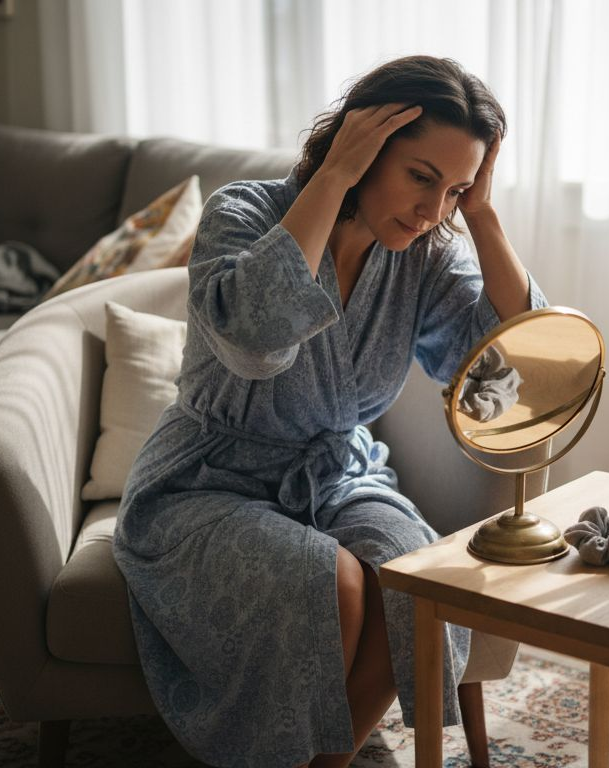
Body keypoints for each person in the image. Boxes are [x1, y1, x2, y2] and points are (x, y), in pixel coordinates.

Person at [113, 55, 547, 767]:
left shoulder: (425, 256)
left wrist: (485, 214)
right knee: (334, 584)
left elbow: (511, 367)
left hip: (337, 476)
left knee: (421, 582)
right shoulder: (244, 212)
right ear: (364, 146)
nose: (432, 211)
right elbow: (254, 339)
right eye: (420, 177)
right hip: (206, 482)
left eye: (455, 189)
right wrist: (333, 178)